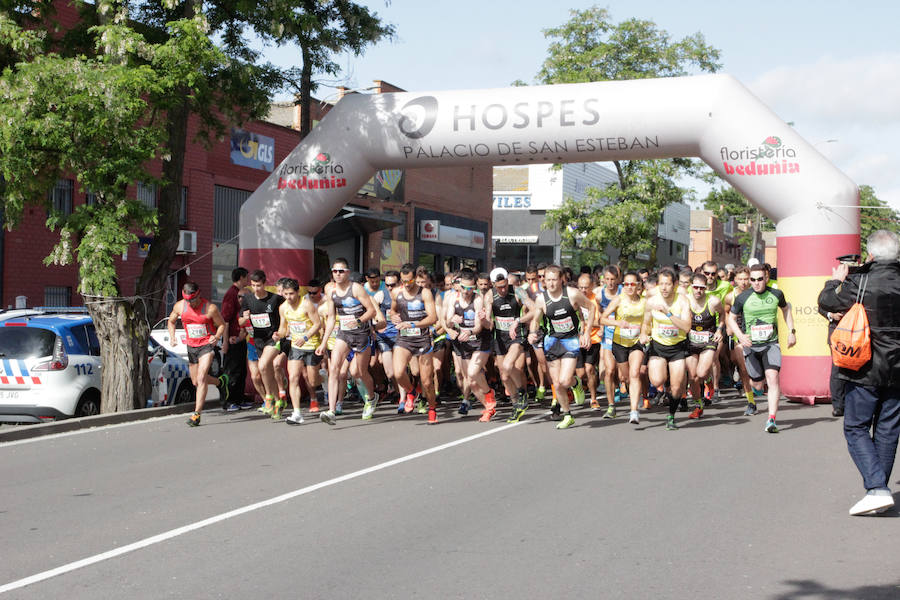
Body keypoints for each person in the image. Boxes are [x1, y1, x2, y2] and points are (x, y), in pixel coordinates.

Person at [818, 229, 900, 516]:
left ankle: (877, 488)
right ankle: (878, 490)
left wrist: (835, 281)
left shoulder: (860, 280)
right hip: (898, 368)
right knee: (888, 429)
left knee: (855, 427)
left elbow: (827, 302)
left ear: (871, 254)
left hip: (864, 366)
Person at [726, 263, 796, 433]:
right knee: (757, 385)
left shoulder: (776, 294)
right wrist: (740, 336)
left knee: (773, 378)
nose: (756, 283)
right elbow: (731, 318)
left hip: (771, 344)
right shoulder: (743, 297)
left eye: (759, 279)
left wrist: (791, 331)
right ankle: (755, 385)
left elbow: (786, 310)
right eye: (753, 280)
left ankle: (771, 419)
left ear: (766, 278)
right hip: (751, 346)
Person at [528, 264, 593, 430]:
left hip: (570, 341)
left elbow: (592, 307)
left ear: (561, 280)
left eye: (554, 280)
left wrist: (586, 333)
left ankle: (575, 383)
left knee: (564, 380)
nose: (551, 283)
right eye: (548, 280)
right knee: (557, 384)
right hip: (552, 342)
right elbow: (536, 320)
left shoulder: (572, 294)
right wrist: (532, 332)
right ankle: (567, 415)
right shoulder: (541, 299)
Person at [316, 258, 378, 425]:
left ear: (348, 272)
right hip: (344, 334)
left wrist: (358, 321)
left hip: (361, 334)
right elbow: (331, 318)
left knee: (360, 372)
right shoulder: (332, 292)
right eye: (335, 271)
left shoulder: (356, 288)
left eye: (341, 271)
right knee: (334, 369)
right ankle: (331, 411)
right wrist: (323, 343)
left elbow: (371, 311)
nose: (338, 274)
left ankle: (372, 398)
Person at [168, 282, 226, 427]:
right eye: (187, 300)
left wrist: (216, 337)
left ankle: (196, 414)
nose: (190, 303)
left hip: (206, 345)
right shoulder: (180, 306)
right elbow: (171, 321)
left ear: (199, 295)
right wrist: (172, 336)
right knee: (195, 381)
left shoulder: (210, 308)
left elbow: (222, 325)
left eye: (192, 300)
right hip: (191, 346)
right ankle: (221, 382)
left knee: (201, 378)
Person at [641, 269, 692, 431]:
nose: (664, 288)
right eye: (661, 284)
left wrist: (668, 313)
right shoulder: (651, 301)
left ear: (675, 284)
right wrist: (643, 334)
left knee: (677, 389)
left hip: (677, 347)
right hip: (658, 346)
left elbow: (687, 327)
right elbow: (646, 323)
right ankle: (667, 377)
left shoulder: (682, 301)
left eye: (668, 284)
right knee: (657, 381)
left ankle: (671, 416)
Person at [485, 267, 536, 423]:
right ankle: (516, 405)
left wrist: (518, 321)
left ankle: (522, 392)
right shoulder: (489, 295)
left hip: (517, 334)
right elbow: (488, 324)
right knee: (504, 375)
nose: (503, 289)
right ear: (493, 284)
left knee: (508, 365)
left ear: (508, 282)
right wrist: (482, 319)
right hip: (500, 337)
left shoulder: (518, 291)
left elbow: (534, 309)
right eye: (499, 287)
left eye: (505, 285)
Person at [389, 264, 439, 424]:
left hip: (422, 338)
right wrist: (393, 316)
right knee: (398, 373)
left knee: (426, 381)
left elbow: (433, 318)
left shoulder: (424, 293)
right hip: (404, 338)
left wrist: (412, 324)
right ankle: (411, 392)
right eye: (403, 281)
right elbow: (392, 310)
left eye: (409, 281)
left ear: (415, 279)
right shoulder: (396, 292)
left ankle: (432, 409)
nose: (406, 284)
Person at [446, 269, 495, 421]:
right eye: (464, 288)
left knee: (473, 373)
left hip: (480, 341)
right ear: (459, 285)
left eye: (470, 288)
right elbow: (447, 321)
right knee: (471, 382)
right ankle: (488, 407)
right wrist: (452, 320)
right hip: (464, 343)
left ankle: (489, 394)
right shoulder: (453, 298)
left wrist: (469, 331)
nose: (466, 291)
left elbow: (478, 327)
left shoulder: (478, 299)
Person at [601, 271, 647, 424]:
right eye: (626, 284)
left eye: (632, 284)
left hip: (636, 342)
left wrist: (645, 333)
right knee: (626, 377)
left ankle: (634, 411)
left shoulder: (644, 302)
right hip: (619, 343)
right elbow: (602, 319)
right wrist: (617, 323)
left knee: (635, 373)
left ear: (638, 285)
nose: (629, 287)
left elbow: (648, 322)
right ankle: (632, 393)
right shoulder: (618, 300)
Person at [239, 270, 286, 419]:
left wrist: (281, 332)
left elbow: (287, 314)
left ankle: (269, 398)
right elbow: (240, 321)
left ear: (264, 283)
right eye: (253, 285)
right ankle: (278, 401)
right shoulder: (247, 299)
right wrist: (244, 318)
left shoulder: (275, 299)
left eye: (258, 285)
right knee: (267, 371)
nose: (256, 288)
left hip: (273, 339)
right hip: (258, 340)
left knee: (263, 365)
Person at [277, 278, 323, 425]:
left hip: (311, 345)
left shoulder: (306, 304)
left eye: (291, 293)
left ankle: (325, 377)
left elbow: (317, 324)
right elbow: (283, 328)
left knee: (313, 381)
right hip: (296, 347)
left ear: (298, 292)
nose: (289, 297)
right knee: (293, 378)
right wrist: (278, 334)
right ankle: (297, 413)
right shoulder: (283, 308)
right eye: (286, 294)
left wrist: (305, 337)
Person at [684, 273, 726, 419]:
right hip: (691, 341)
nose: (698, 291)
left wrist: (719, 330)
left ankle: (708, 381)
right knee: (692, 376)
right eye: (695, 287)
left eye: (701, 288)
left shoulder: (713, 301)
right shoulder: (685, 300)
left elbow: (722, 314)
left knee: (701, 373)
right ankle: (698, 405)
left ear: (706, 288)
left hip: (708, 340)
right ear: (691, 287)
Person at [219, 267, 251, 411]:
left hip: (241, 338)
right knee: (231, 370)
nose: (248, 280)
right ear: (241, 278)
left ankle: (239, 398)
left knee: (241, 370)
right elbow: (225, 320)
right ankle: (228, 400)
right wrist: (225, 341)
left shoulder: (241, 293)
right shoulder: (231, 294)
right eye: (246, 277)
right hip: (231, 338)